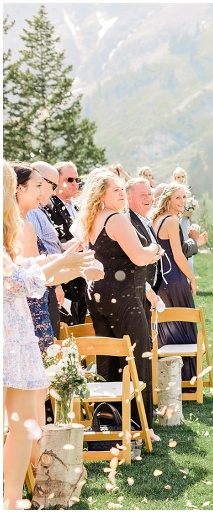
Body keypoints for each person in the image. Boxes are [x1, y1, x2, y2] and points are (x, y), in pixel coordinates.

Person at [3, 161, 94, 510]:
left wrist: (67, 264)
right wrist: (62, 264)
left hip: (19, 335)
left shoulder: (8, 229)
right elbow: (14, 281)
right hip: (5, 336)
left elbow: (21, 269)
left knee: (25, 424)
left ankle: (12, 500)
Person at [77, 169, 163, 443]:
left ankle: (108, 419)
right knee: (139, 355)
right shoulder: (115, 219)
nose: (121, 195)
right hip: (124, 297)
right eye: (116, 190)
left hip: (99, 296)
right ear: (101, 193)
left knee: (109, 356)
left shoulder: (91, 219)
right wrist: (154, 250)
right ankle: (142, 425)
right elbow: (138, 257)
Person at [150, 183, 198, 384]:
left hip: (160, 280)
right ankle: (187, 379)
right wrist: (192, 278)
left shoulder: (155, 220)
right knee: (184, 324)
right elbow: (178, 256)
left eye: (184, 197)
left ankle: (169, 379)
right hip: (175, 278)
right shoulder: (170, 221)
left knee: (167, 326)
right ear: (168, 199)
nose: (182, 201)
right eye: (177, 198)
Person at [44, 161, 87, 325]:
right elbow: (50, 247)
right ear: (56, 181)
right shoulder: (49, 206)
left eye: (77, 180)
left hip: (82, 280)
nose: (74, 184)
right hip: (63, 282)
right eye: (69, 180)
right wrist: (57, 285)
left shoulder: (78, 208)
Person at [27, 161, 64, 338]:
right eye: (53, 185)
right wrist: (56, 283)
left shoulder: (38, 211)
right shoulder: (31, 213)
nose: (54, 192)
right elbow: (36, 256)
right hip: (42, 287)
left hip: (47, 281)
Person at [125, 178, 163, 322]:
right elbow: (129, 262)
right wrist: (147, 290)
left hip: (148, 291)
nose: (148, 198)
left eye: (149, 194)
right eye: (143, 195)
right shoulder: (128, 222)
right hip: (137, 293)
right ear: (129, 197)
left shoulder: (145, 220)